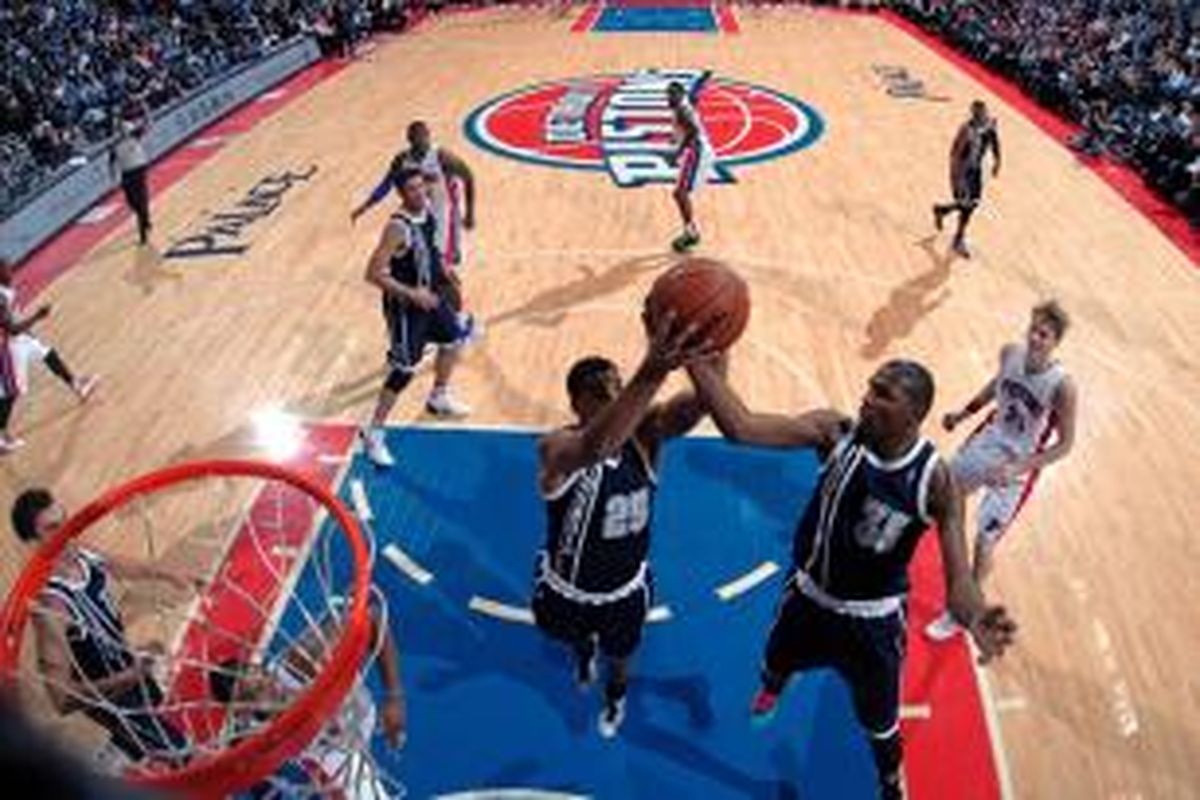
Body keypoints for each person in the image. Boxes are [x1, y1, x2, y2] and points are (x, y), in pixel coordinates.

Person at [686, 357, 1016, 800]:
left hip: (871, 623)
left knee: (880, 724)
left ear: (914, 414)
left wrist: (977, 617)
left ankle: (889, 781)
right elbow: (742, 427)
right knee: (776, 660)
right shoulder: (835, 433)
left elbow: (958, 582)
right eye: (870, 387)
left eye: (884, 394)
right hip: (809, 598)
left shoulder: (935, 482)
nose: (867, 399)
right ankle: (773, 688)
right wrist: (690, 357)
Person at [533, 309, 713, 738]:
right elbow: (595, 447)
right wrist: (652, 370)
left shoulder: (646, 436)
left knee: (622, 656)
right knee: (576, 639)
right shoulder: (556, 448)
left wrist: (712, 350)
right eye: (600, 390)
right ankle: (583, 654)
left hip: (623, 591)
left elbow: (698, 406)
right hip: (566, 589)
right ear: (576, 403)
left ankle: (615, 696)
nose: (613, 394)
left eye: (616, 385)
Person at [925, 301, 1077, 641]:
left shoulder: (1062, 386)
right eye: (1034, 330)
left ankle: (963, 612)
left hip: (1020, 466)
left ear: (1056, 342)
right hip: (989, 442)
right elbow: (994, 387)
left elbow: (1065, 445)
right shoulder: (1010, 353)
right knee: (942, 494)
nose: (1035, 338)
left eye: (1044, 335)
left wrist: (1017, 467)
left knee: (984, 541)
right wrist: (962, 414)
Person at [15, 488, 194, 764]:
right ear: (32, 541)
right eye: (53, 528)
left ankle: (121, 749)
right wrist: (129, 676)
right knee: (183, 754)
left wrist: (169, 574)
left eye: (66, 520)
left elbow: (118, 565)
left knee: (154, 705)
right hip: (108, 697)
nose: (67, 532)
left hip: (127, 666)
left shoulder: (80, 553)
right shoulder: (51, 606)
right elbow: (61, 700)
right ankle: (116, 757)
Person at [209, 602, 406, 797]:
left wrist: (394, 696)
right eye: (256, 693)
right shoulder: (256, 745)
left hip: (354, 720)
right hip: (335, 756)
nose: (271, 689)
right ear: (243, 713)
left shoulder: (301, 662)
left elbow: (372, 615)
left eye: (264, 677)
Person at [360, 167, 477, 468]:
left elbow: (431, 249)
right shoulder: (397, 227)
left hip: (431, 297)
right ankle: (374, 432)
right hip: (405, 309)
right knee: (404, 371)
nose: (420, 192)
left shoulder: (427, 213)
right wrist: (413, 294)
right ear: (401, 194)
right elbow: (373, 274)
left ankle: (439, 396)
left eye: (421, 186)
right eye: (412, 189)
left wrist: (445, 269)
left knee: (453, 341)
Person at [351, 121, 477, 278]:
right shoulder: (402, 159)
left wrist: (470, 213)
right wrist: (364, 207)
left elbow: (469, 177)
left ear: (428, 136)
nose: (421, 145)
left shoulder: (443, 156)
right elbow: (386, 184)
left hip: (446, 210)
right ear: (409, 141)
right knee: (423, 251)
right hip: (420, 210)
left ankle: (447, 283)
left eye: (423, 139)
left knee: (446, 257)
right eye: (416, 142)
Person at [0, 258, 98, 453]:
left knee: (48, 353)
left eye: (9, 267)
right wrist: (37, 317)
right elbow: (11, 329)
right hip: (11, 345)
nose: (10, 270)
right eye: (5, 269)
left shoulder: (7, 290)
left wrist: (29, 331)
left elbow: (15, 320)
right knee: (11, 392)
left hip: (21, 338)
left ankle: (77, 386)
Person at [932, 100, 1001, 258]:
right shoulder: (966, 129)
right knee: (966, 205)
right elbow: (955, 152)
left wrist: (998, 162)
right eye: (980, 114)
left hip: (975, 171)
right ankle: (958, 238)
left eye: (984, 112)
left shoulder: (990, 125)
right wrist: (955, 175)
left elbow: (995, 143)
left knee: (972, 204)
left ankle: (942, 210)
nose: (984, 115)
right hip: (963, 170)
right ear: (974, 114)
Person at [667, 80, 715, 254]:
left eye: (673, 94)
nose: (669, 97)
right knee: (679, 193)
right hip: (696, 150)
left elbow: (693, 131)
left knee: (679, 193)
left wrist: (677, 152)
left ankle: (691, 232)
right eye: (668, 94)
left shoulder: (681, 110)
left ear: (681, 95)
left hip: (696, 151)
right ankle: (690, 230)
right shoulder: (682, 107)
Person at [109, 108, 153, 246]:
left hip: (138, 168)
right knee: (131, 202)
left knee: (140, 201)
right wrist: (114, 179)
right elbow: (111, 162)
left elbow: (148, 125)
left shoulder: (134, 135)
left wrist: (145, 109)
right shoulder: (114, 144)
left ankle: (143, 234)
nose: (121, 131)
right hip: (126, 172)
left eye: (122, 129)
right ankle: (145, 216)